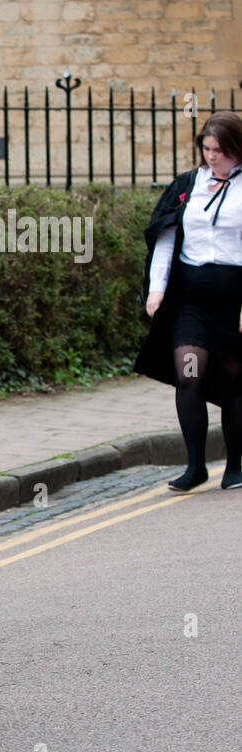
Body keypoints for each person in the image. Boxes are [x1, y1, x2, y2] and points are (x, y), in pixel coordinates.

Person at [135, 110, 242, 491]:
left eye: (221, 151)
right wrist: (157, 288)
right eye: (207, 149)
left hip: (235, 301)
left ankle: (235, 466)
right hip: (190, 300)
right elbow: (165, 237)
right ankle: (195, 466)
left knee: (234, 382)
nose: (212, 157)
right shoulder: (187, 185)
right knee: (190, 374)